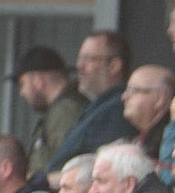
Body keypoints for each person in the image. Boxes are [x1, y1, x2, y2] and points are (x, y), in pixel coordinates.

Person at [47, 30, 138, 175]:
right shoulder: (96, 108)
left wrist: (51, 180)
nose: (79, 66)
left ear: (114, 65)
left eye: (88, 59)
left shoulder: (118, 110)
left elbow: (104, 170)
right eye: (79, 59)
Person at [12, 46, 85, 175]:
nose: (21, 93)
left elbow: (67, 165)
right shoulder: (60, 110)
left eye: (22, 84)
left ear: (39, 80)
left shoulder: (65, 111)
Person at [121, 65, 175, 160]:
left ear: (159, 98)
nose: (124, 97)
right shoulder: (139, 136)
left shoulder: (170, 140)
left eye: (133, 90)